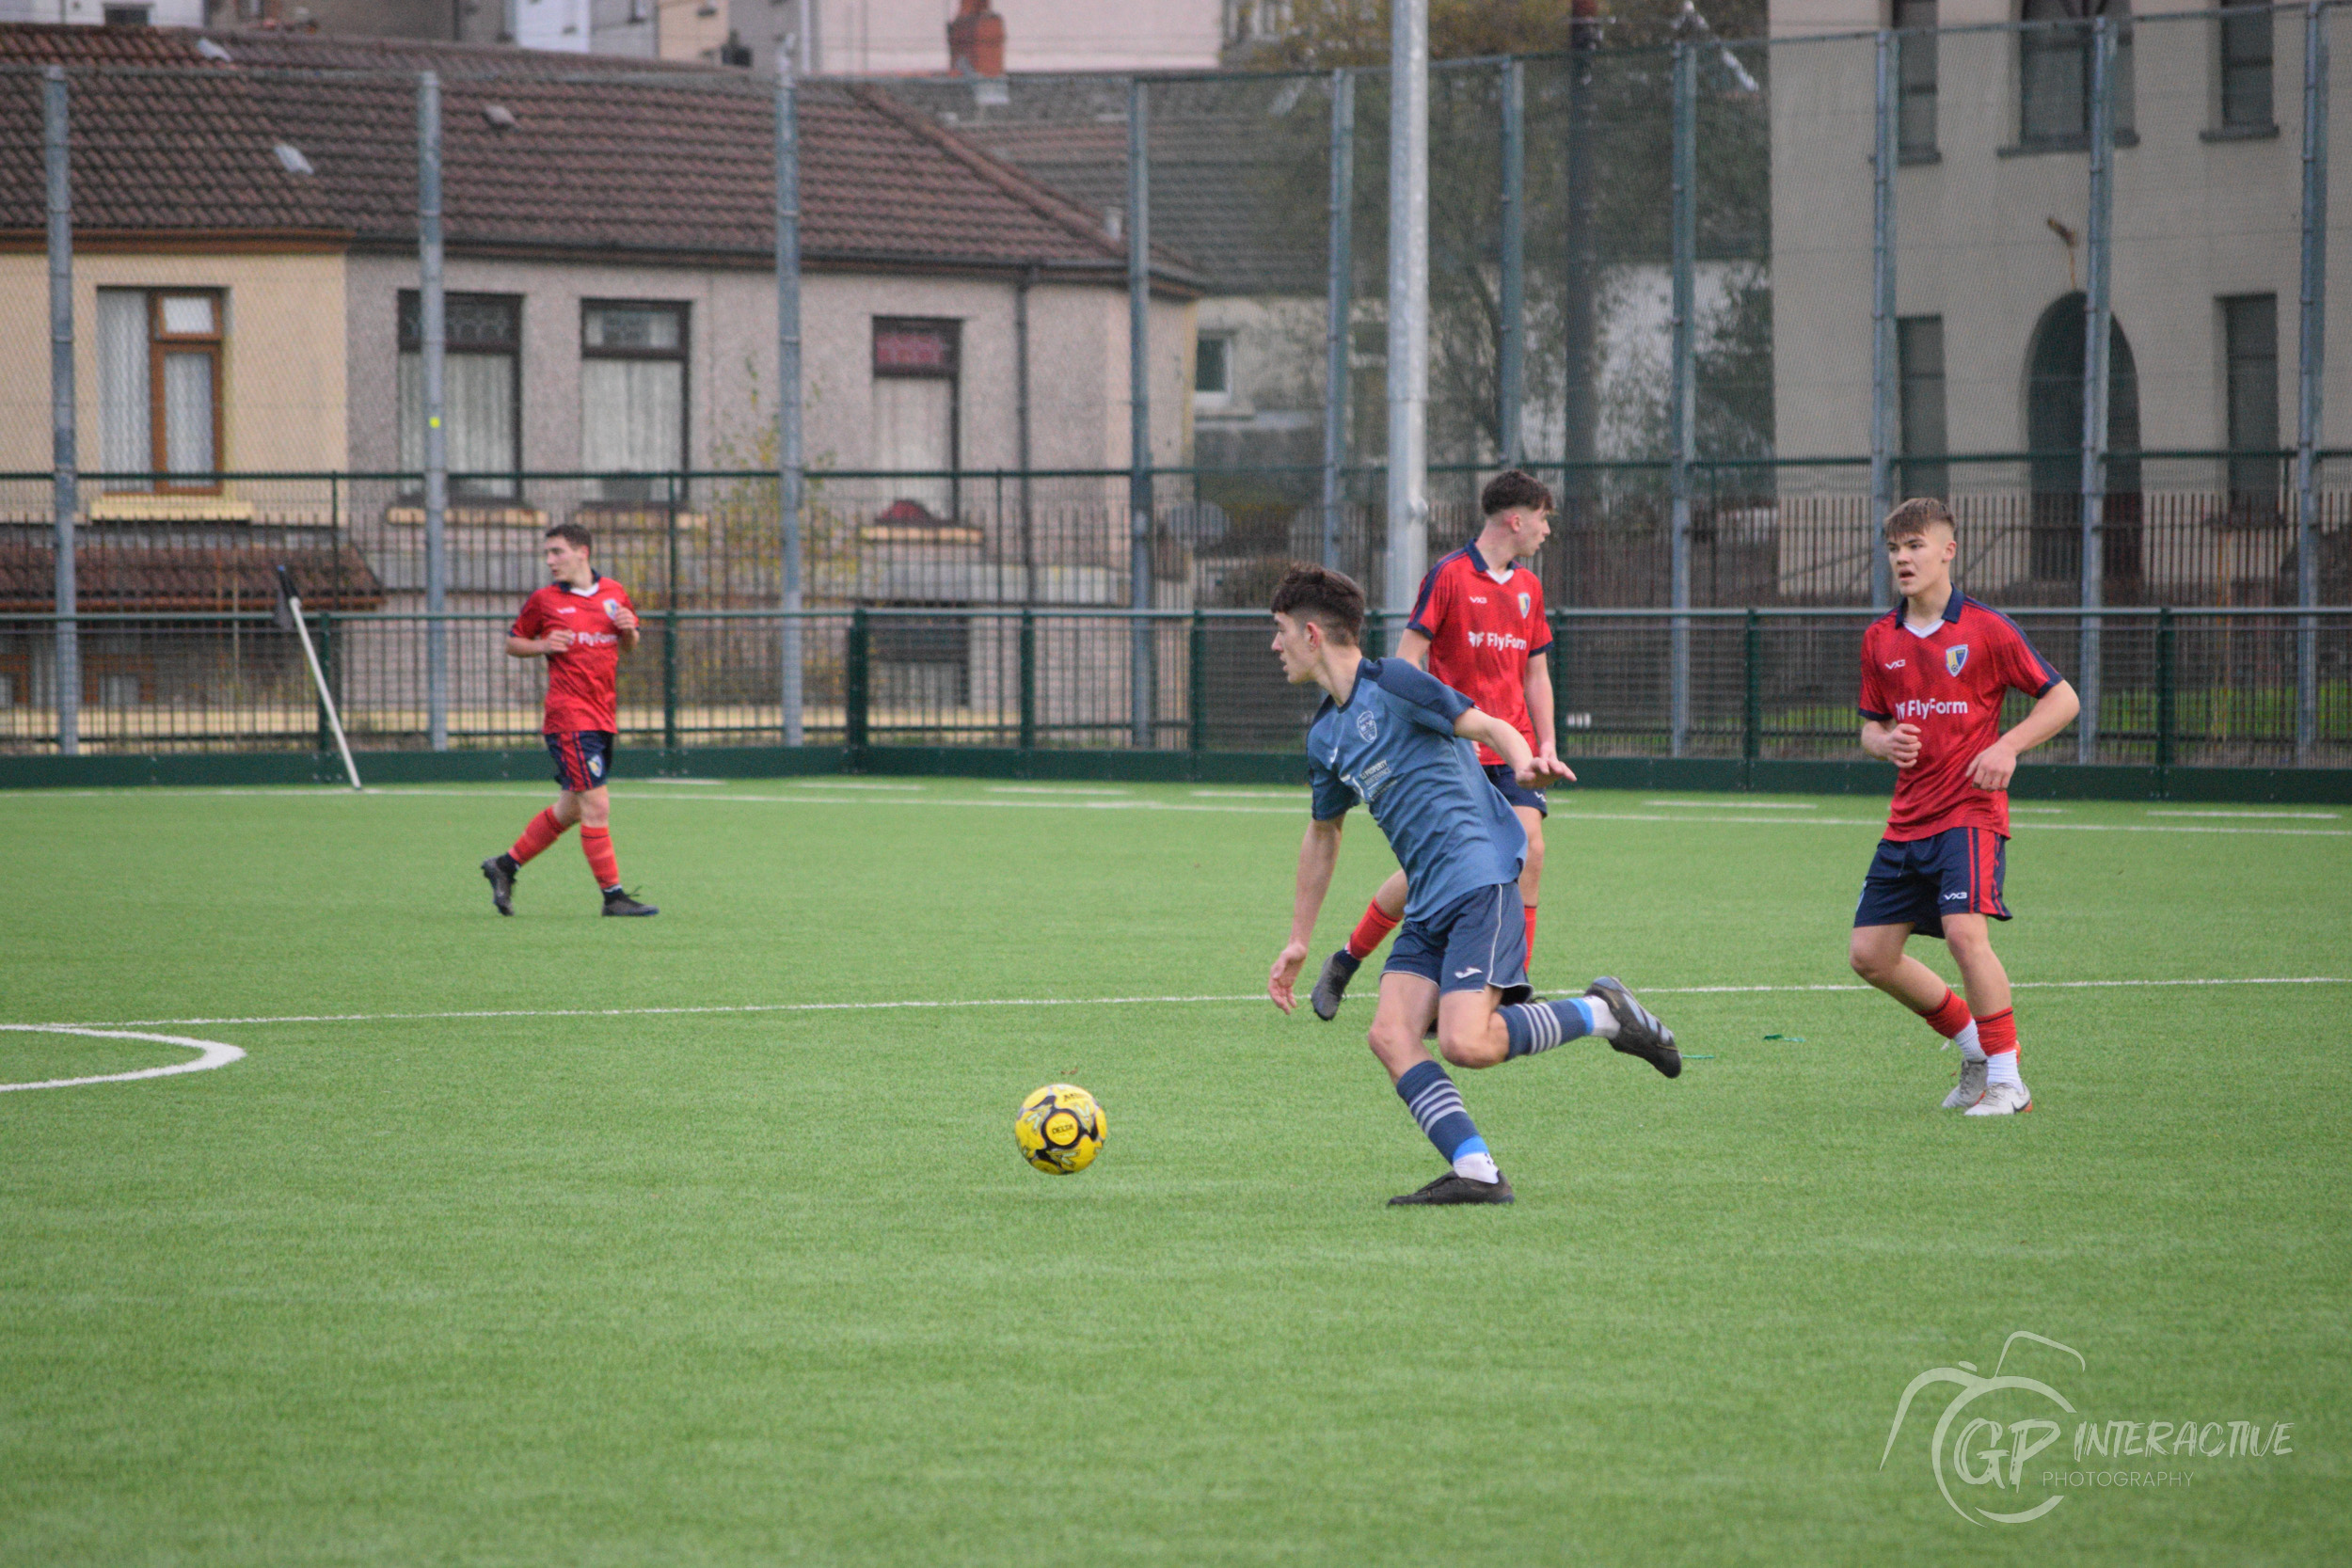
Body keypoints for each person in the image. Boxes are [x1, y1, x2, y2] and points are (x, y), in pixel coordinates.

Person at [1263, 563, 1680, 1207]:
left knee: (1465, 1041)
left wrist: (1527, 762)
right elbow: (1323, 835)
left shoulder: (1397, 683)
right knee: (1388, 1034)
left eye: (1280, 631)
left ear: (1313, 633)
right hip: (1430, 893)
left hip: (1481, 875)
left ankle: (1604, 1012)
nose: (1275, 645)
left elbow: (1487, 725)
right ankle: (1477, 1169)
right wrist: (1297, 939)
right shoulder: (1326, 735)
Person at [1850, 499, 2079, 1114]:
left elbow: (2062, 700)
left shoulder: (1987, 628)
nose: (1902, 557)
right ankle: (1978, 1047)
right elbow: (1870, 729)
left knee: (1963, 933)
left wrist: (2008, 745)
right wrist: (1884, 741)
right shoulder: (1880, 639)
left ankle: (2009, 1080)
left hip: (1970, 813)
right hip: (1907, 821)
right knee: (1870, 956)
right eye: (1894, 547)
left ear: (1948, 550)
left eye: (1915, 545)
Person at [1309, 468, 1559, 1022]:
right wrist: (1431, 728)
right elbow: (1405, 660)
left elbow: (1536, 674)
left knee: (1529, 849)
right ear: (1517, 519)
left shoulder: (1529, 589)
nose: (1547, 530)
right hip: (1461, 746)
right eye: (1543, 518)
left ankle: (1512, 982)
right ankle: (1347, 959)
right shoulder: (1448, 575)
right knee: (1426, 871)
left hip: (1511, 745)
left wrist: (1545, 745)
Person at [480, 524, 659, 918]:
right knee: (596, 805)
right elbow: (512, 642)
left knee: (572, 810)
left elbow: (628, 645)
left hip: (602, 715)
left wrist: (629, 632)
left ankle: (504, 866)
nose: (549, 561)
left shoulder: (614, 593)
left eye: (557, 552)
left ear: (583, 552)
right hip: (569, 717)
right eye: (548, 553)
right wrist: (543, 645)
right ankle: (613, 897)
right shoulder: (544, 601)